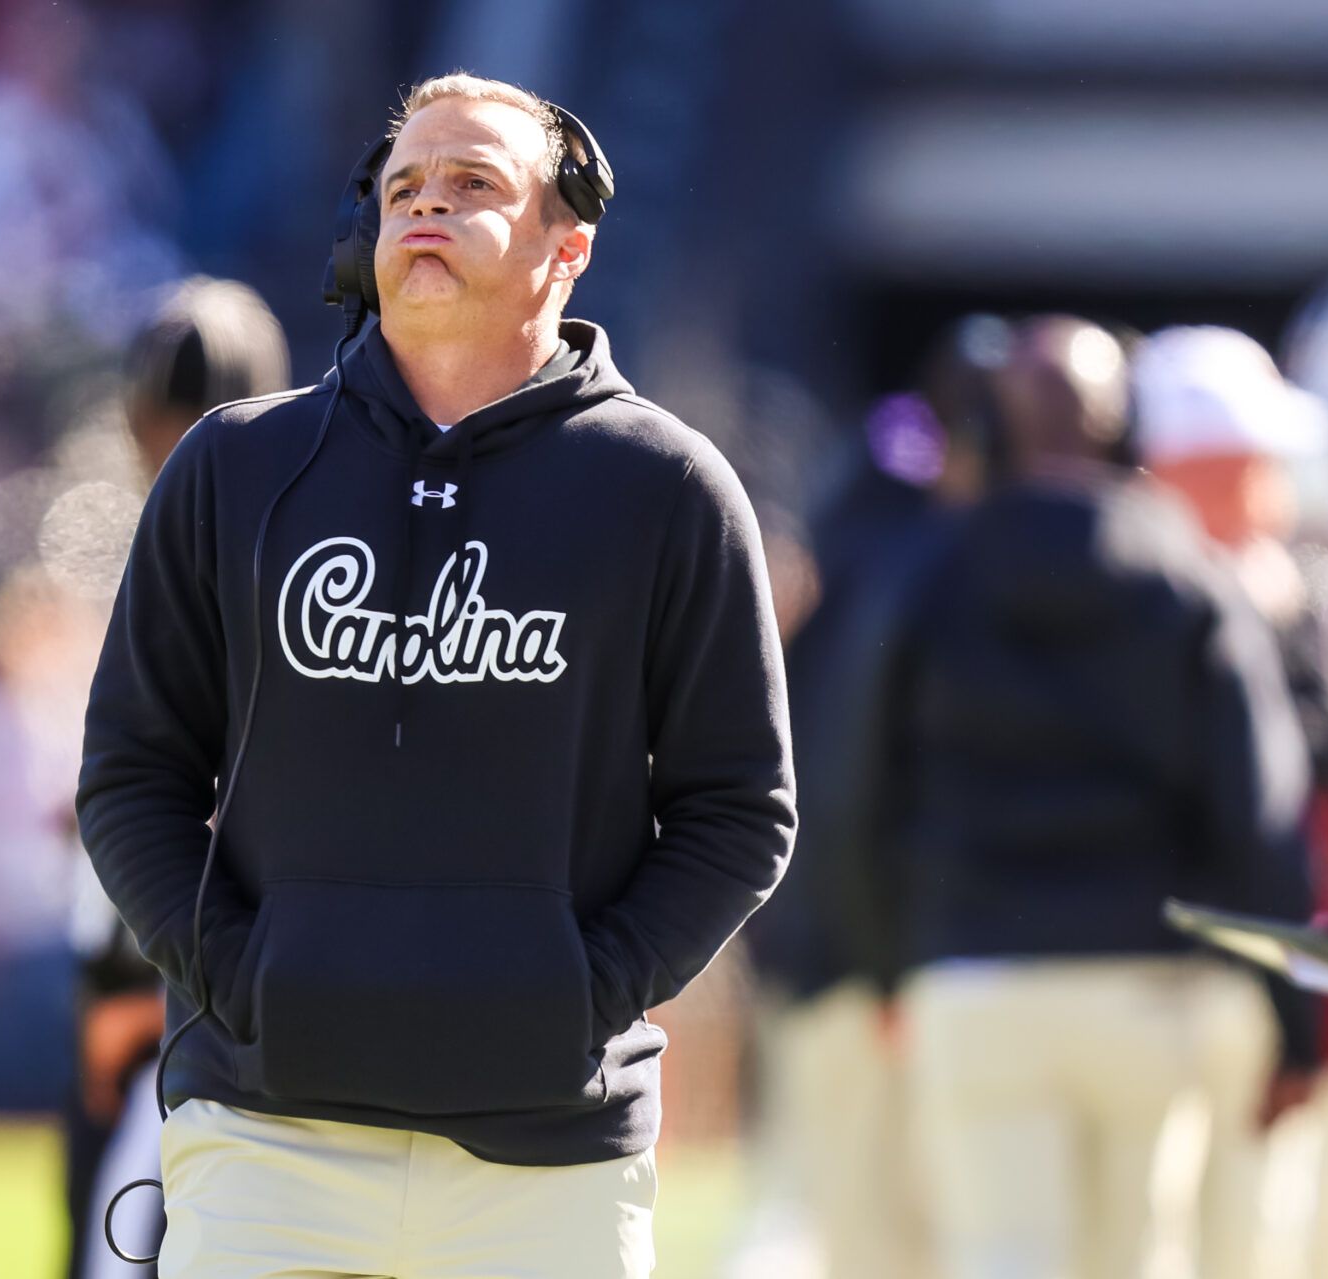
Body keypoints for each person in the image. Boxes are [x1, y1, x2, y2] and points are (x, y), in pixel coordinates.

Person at [76, 73, 795, 1279]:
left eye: (472, 186)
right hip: (267, 1143)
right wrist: (243, 975)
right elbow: (131, 778)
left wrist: (581, 988)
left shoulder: (670, 488)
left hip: (549, 1162)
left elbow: (740, 813)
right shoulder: (236, 468)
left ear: (567, 248)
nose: (426, 208)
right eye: (405, 185)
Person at [848, 316, 1316, 1279]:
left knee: (1000, 1258)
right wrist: (1292, 1015)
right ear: (1122, 423)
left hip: (973, 974)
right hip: (1151, 981)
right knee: (1140, 1261)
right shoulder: (1190, 574)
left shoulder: (928, 569)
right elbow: (1258, 807)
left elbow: (858, 784)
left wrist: (885, 965)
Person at [739, 314, 1008, 1279]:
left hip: (886, 952)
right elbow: (845, 777)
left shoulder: (886, 532)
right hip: (862, 955)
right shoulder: (895, 551)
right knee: (863, 1231)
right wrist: (874, 958)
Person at [63, 277, 291, 1279]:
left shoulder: (258, 562)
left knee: (130, 1240)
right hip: (169, 962)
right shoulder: (184, 544)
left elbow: (183, 794)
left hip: (201, 980)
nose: (165, 449)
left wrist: (125, 977)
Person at [1131, 325, 1328, 1279]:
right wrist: (1302, 1019)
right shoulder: (1207, 596)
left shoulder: (1267, 587)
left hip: (1132, 965)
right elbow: (1267, 814)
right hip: (1214, 973)